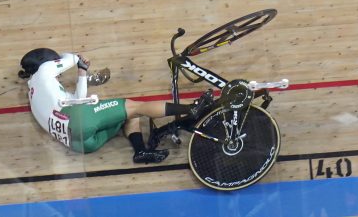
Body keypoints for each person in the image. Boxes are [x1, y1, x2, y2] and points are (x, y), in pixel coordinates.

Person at [18, 48, 214, 163]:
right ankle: (191, 109)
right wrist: (77, 58)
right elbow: (69, 57)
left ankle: (141, 152)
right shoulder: (43, 71)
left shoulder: (35, 92)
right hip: (78, 119)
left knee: (127, 115)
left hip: (80, 144)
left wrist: (83, 72)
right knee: (135, 106)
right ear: (46, 62)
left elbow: (79, 97)